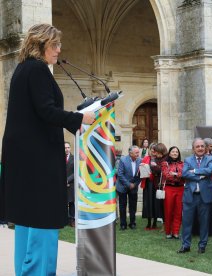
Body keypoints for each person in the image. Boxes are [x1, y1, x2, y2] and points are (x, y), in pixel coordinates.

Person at [0, 23, 95, 276]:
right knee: (42, 222)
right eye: (54, 45)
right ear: (40, 45)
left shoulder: (22, 69)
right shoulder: (38, 70)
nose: (58, 49)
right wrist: (79, 118)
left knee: (26, 224)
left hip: (25, 160)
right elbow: (46, 110)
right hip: (38, 161)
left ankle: (25, 271)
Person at [178, 138, 212, 254]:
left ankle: (202, 245)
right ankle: (186, 245)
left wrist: (193, 171)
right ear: (193, 148)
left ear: (205, 148)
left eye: (202, 146)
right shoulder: (188, 159)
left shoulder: (210, 159)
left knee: (204, 222)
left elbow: (209, 171)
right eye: (197, 146)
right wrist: (199, 176)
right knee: (187, 222)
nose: (200, 148)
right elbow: (184, 173)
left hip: (205, 196)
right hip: (190, 195)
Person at [141, 142, 167, 230]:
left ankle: (155, 222)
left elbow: (162, 170)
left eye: (154, 150)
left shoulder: (159, 159)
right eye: (152, 150)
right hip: (147, 183)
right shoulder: (146, 158)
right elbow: (140, 170)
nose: (153, 152)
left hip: (155, 184)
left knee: (155, 203)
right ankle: (148, 223)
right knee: (148, 203)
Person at [161, 146, 184, 239]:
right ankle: (168, 232)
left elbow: (185, 175)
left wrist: (175, 174)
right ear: (169, 153)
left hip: (180, 189)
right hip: (169, 189)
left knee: (178, 211)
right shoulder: (165, 163)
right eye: (173, 151)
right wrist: (179, 176)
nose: (175, 153)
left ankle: (176, 232)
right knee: (168, 210)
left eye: (176, 152)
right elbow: (166, 175)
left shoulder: (182, 163)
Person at [116, 145, 141, 230]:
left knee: (133, 206)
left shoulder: (140, 161)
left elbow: (141, 175)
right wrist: (128, 184)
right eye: (136, 152)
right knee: (122, 206)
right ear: (130, 153)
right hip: (122, 186)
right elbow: (120, 174)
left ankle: (132, 223)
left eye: (138, 152)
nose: (138, 154)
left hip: (134, 187)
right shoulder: (123, 160)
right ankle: (123, 224)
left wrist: (135, 184)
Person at [65, 142, 75, 227]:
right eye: (65, 148)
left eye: (68, 147)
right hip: (61, 184)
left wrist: (67, 180)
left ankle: (72, 220)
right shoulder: (60, 158)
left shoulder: (74, 158)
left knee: (71, 203)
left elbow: (75, 172)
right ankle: (64, 220)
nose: (67, 149)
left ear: (70, 148)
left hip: (71, 184)